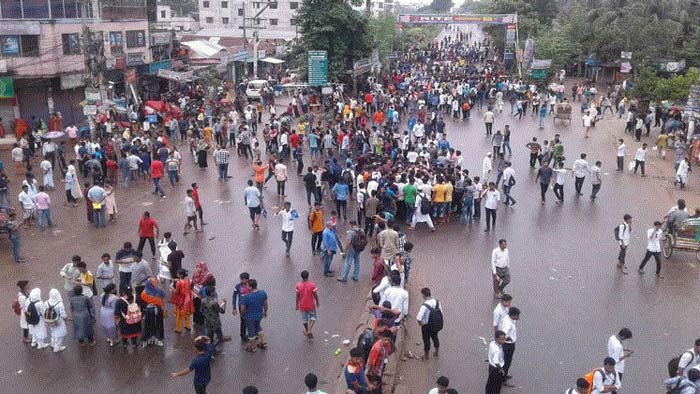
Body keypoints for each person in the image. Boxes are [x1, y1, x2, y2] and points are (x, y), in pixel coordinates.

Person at [240, 279, 268, 352]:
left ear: (250, 287)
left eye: (247, 286)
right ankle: (263, 342)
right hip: (259, 315)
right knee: (258, 327)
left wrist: (242, 315)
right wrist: (265, 312)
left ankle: (253, 347)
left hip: (249, 317)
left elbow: (242, 308)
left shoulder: (246, 297)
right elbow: (265, 304)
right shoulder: (262, 293)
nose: (246, 287)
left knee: (251, 332)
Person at [417, 287, 441, 361]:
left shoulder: (424, 305)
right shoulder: (437, 302)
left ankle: (426, 356)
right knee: (435, 337)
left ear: (424, 295)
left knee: (426, 340)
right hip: (436, 324)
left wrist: (421, 324)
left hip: (426, 326)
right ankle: (436, 352)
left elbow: (418, 318)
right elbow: (441, 312)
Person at [141, 277, 165, 347]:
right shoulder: (159, 290)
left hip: (149, 310)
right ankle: (158, 339)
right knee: (159, 325)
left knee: (148, 325)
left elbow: (143, 302)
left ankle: (147, 340)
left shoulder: (144, 292)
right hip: (158, 309)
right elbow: (163, 296)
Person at [497, 307, 520, 384]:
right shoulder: (508, 323)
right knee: (506, 362)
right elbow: (503, 333)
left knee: (506, 361)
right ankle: (502, 379)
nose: (518, 317)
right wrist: (507, 338)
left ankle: (504, 376)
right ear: (513, 316)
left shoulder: (509, 319)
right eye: (517, 316)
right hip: (508, 346)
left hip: (508, 345)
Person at [296, 270, 320, 339]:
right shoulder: (312, 285)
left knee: (304, 319)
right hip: (310, 305)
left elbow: (297, 296)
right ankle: (309, 330)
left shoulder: (298, 286)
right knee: (313, 317)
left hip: (302, 305)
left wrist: (297, 305)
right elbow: (315, 295)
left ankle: (306, 330)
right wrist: (317, 302)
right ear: (308, 276)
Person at [172, 269, 194, 334]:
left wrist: (172, 289)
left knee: (179, 316)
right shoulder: (187, 280)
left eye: (178, 273)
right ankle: (188, 326)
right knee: (187, 314)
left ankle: (178, 329)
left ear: (181, 275)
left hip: (181, 300)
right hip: (187, 300)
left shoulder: (179, 283)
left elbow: (176, 292)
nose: (177, 274)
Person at [45, 288, 67, 352]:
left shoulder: (46, 302)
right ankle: (57, 347)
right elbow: (63, 314)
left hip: (50, 320)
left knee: (53, 331)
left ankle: (53, 343)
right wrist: (65, 318)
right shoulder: (60, 303)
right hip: (58, 321)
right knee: (59, 334)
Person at [232, 272, 251, 342]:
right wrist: (234, 307)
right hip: (242, 306)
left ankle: (251, 333)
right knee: (243, 321)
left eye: (245, 279)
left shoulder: (251, 285)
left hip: (250, 305)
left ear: (248, 279)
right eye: (242, 279)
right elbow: (234, 296)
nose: (243, 281)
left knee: (251, 320)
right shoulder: (237, 286)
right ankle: (243, 335)